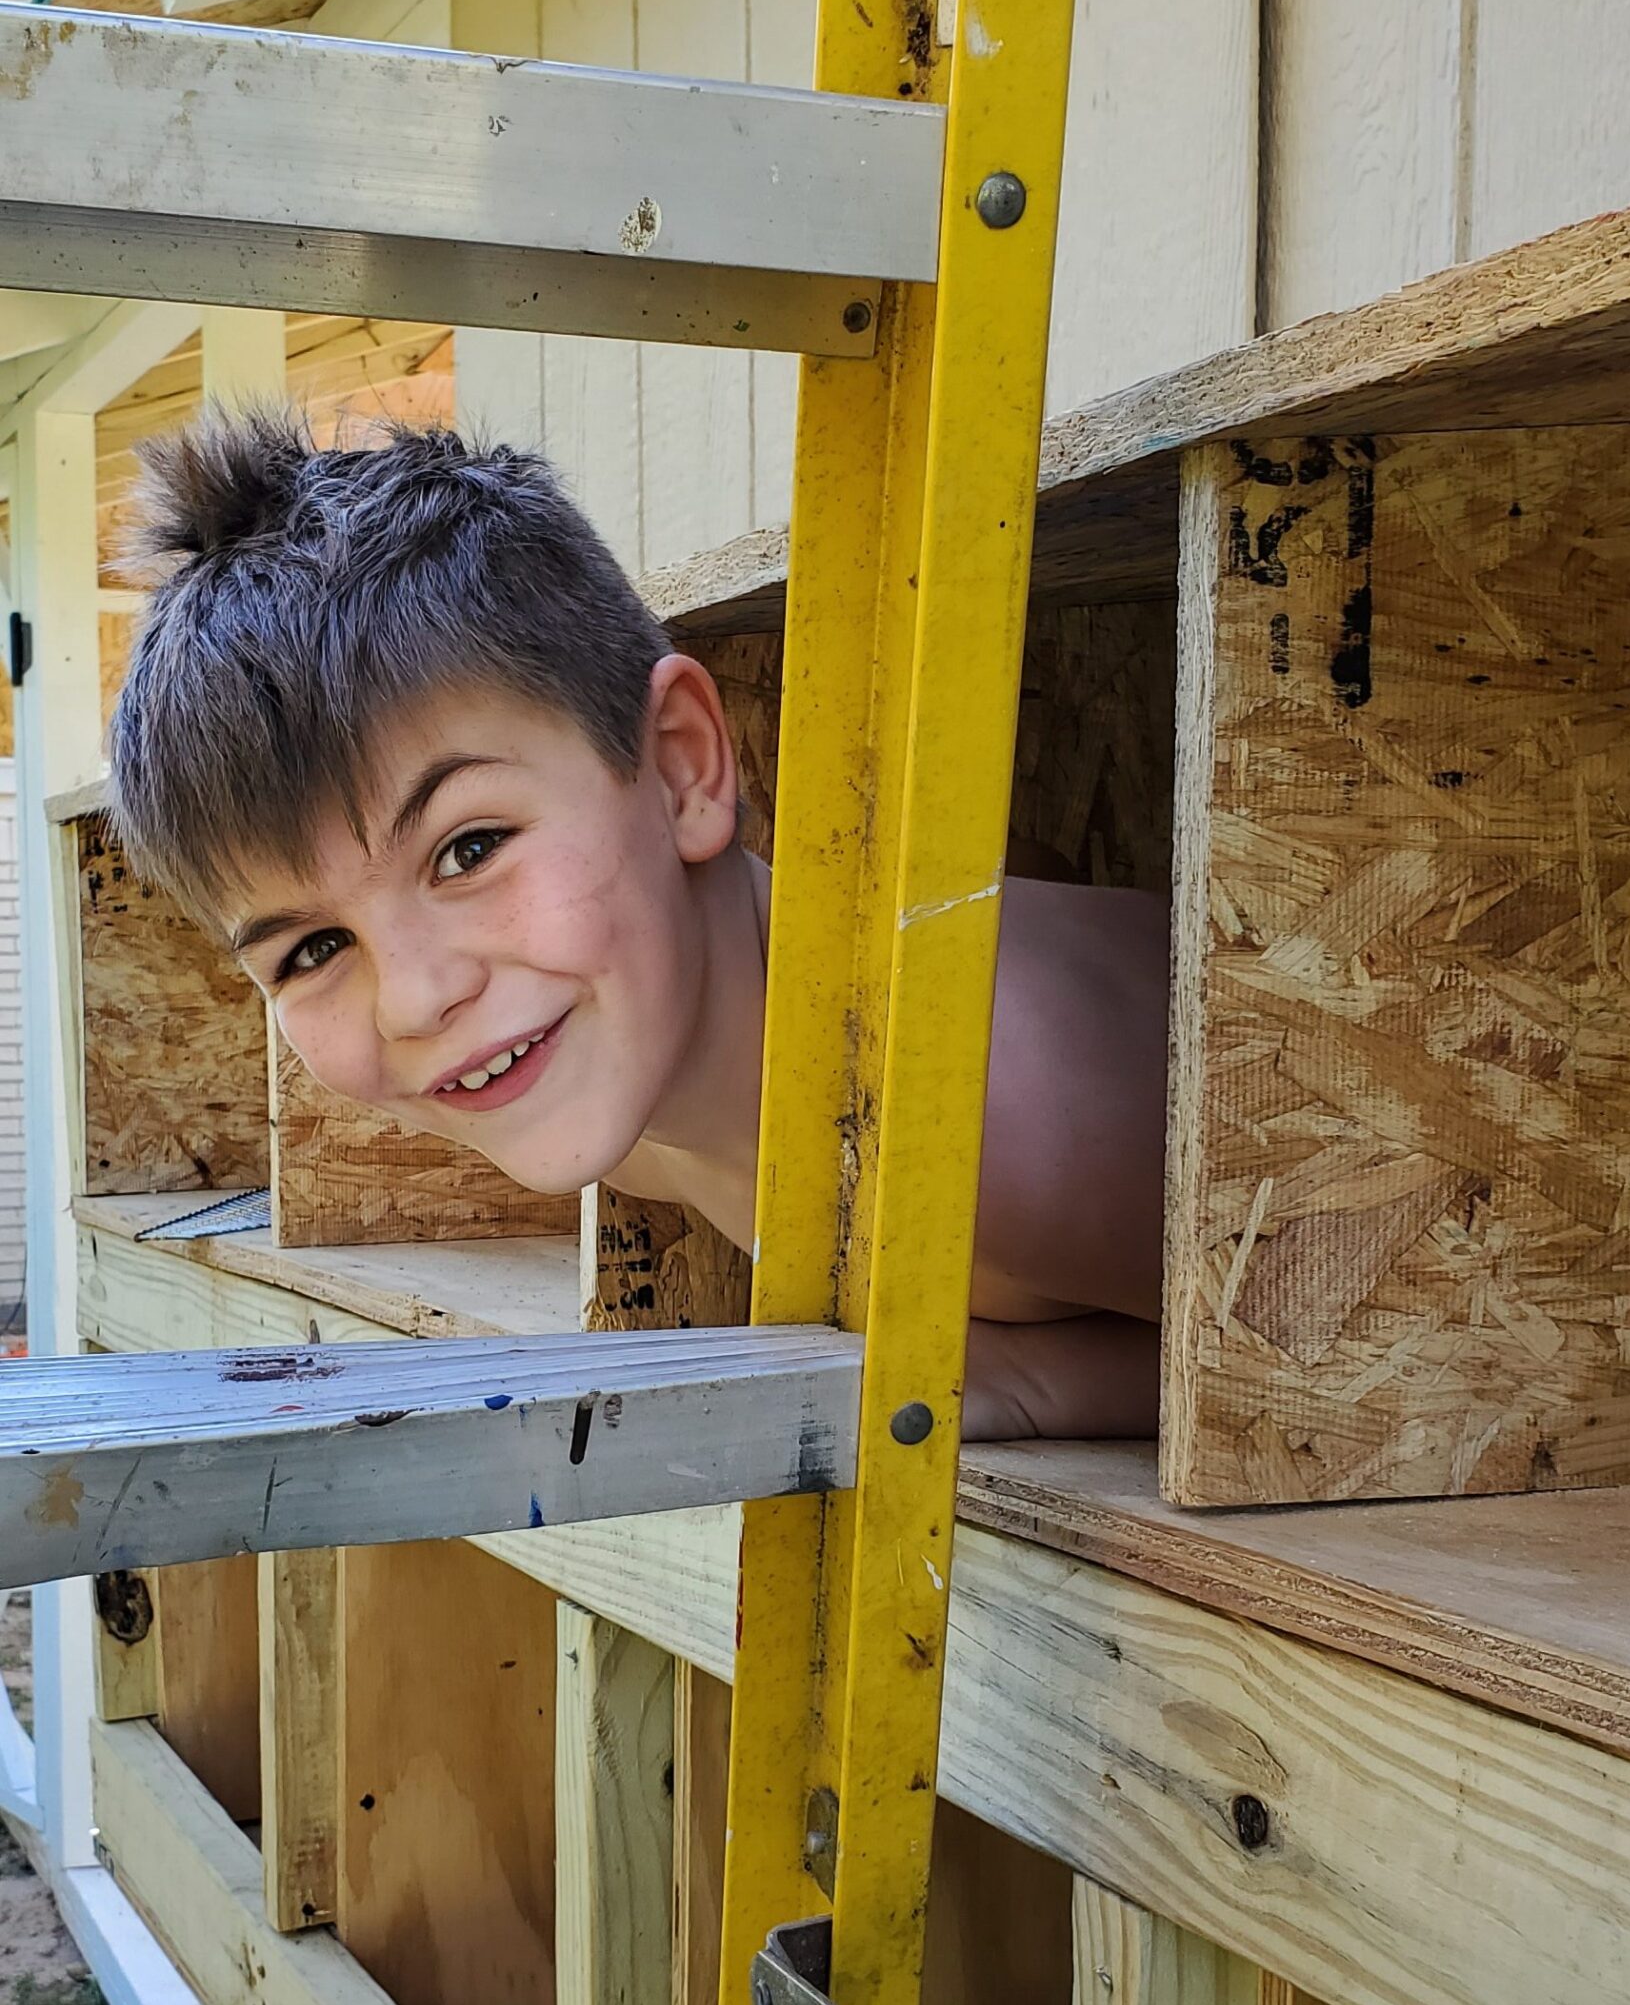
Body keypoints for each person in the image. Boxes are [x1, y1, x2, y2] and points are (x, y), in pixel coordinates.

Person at [107, 412, 1168, 1437]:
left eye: (469, 848)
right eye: (314, 949)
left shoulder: (977, 1114)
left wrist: (1026, 1380)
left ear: (681, 766)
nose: (419, 995)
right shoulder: (640, 1119)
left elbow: (1312, 1340)